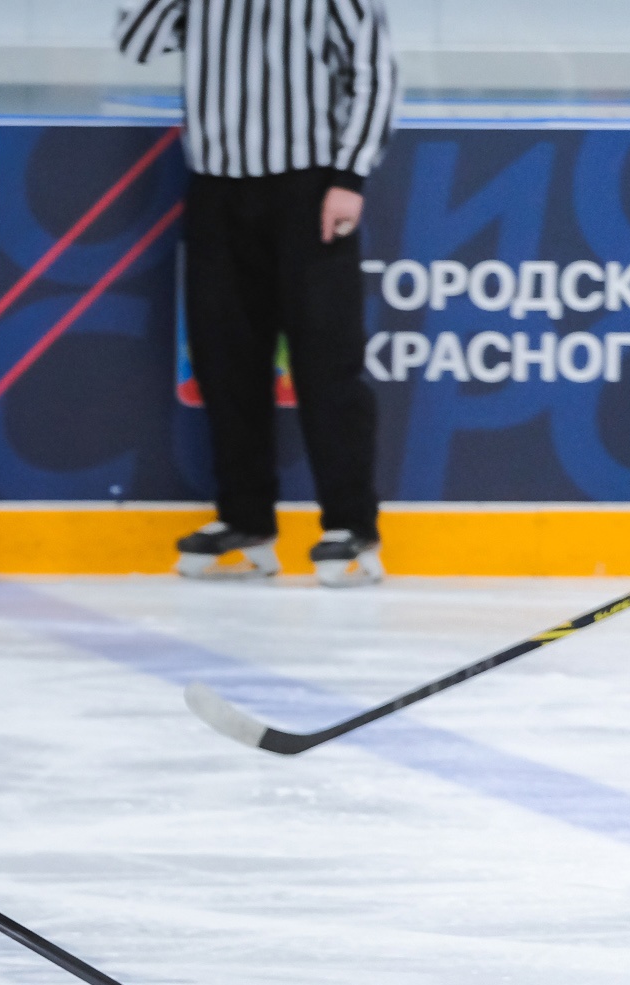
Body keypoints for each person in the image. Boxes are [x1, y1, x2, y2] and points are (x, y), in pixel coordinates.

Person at [119, 0, 399, 587]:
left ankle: (351, 523)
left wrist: (350, 177)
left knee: (326, 360)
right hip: (217, 187)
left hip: (309, 186)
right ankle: (245, 518)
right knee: (225, 361)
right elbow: (137, 40)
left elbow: (373, 72)